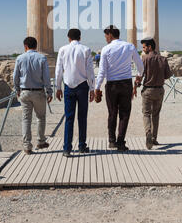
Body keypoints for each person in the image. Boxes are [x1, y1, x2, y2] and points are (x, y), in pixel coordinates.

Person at [95, 25, 144, 151]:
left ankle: (112, 141)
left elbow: (102, 71)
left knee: (112, 113)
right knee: (125, 113)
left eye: (106, 35)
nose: (105, 38)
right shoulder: (129, 46)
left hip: (112, 85)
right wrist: (138, 76)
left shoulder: (106, 49)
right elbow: (140, 65)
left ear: (110, 34)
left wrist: (97, 87)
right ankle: (121, 142)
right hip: (126, 84)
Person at [55, 28, 95, 157]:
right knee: (82, 117)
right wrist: (92, 88)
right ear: (80, 37)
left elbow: (58, 70)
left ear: (68, 37)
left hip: (68, 86)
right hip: (82, 86)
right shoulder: (86, 50)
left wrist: (58, 87)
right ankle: (82, 145)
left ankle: (67, 148)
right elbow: (90, 71)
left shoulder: (62, 50)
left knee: (69, 118)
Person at [13, 36, 53, 155]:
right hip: (38, 92)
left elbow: (15, 76)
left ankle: (27, 146)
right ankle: (40, 141)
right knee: (40, 117)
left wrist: (17, 89)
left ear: (25, 46)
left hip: (24, 92)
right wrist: (49, 91)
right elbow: (46, 77)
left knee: (26, 119)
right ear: (36, 46)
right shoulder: (42, 58)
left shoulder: (19, 58)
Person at [134, 37, 172, 150]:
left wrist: (136, 85)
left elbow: (139, 76)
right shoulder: (163, 59)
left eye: (144, 47)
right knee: (156, 114)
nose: (143, 49)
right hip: (159, 90)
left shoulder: (144, 59)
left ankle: (148, 133)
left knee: (146, 114)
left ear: (149, 47)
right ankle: (154, 138)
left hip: (148, 90)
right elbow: (168, 75)